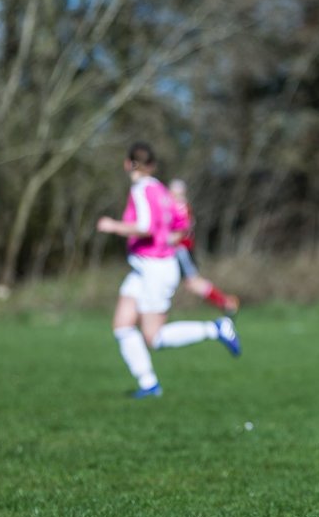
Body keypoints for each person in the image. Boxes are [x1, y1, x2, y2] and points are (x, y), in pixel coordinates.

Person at [96, 143, 242, 398]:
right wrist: (170, 238)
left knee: (154, 337)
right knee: (122, 326)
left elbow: (144, 226)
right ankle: (148, 384)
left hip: (155, 268)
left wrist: (113, 226)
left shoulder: (141, 189)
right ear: (152, 165)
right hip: (143, 268)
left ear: (128, 164)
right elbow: (182, 223)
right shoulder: (162, 191)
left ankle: (216, 328)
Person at [168, 178, 240, 315]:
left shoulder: (179, 207)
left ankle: (226, 302)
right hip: (180, 250)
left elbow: (179, 233)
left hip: (180, 250)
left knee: (192, 281)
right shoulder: (178, 206)